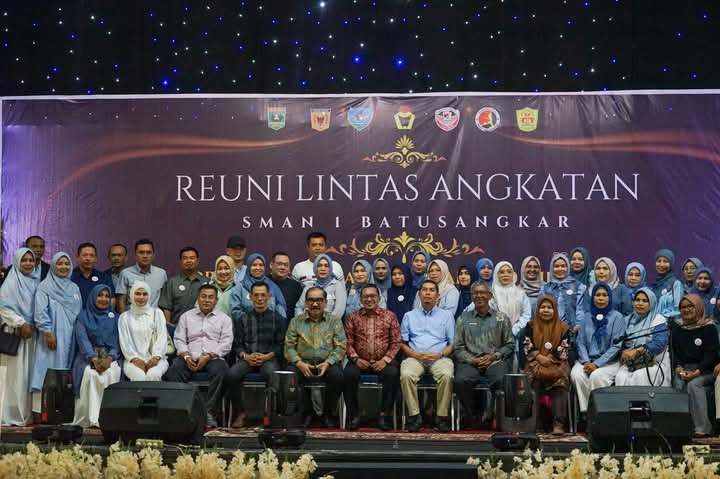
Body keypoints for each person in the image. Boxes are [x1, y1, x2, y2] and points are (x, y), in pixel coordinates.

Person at [164, 284, 232, 428]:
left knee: (222, 370)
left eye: (211, 297)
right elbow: (179, 339)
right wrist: (187, 356)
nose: (207, 300)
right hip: (189, 356)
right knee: (174, 370)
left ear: (216, 300)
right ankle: (182, 411)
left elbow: (226, 343)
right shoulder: (186, 316)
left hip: (212, 357)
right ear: (198, 298)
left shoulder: (224, 319)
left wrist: (208, 356)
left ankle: (209, 413)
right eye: (203, 296)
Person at [225, 282, 287, 428]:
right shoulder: (242, 319)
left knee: (272, 374)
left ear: (269, 297)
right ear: (251, 297)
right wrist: (245, 356)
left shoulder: (279, 319)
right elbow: (237, 344)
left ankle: (269, 415)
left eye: (263, 295)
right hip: (248, 359)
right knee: (231, 375)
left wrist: (267, 356)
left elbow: (281, 345)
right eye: (256, 295)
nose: (260, 298)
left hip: (269, 359)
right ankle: (241, 413)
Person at [454, 282, 514, 429]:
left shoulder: (501, 318)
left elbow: (510, 345)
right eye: (475, 293)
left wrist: (494, 356)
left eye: (483, 292)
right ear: (471, 296)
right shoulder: (463, 319)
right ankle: (472, 416)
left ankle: (494, 416)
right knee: (461, 380)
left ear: (490, 296)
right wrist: (472, 360)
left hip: (494, 361)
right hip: (470, 361)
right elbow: (458, 347)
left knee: (501, 379)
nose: (479, 296)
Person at [285, 286, 346, 428]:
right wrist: (299, 363)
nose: (315, 304)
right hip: (302, 363)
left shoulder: (334, 321)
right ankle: (306, 412)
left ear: (325, 302)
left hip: (327, 364)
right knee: (290, 375)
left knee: (338, 376)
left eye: (319, 300)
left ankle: (328, 413)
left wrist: (328, 363)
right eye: (311, 300)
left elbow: (341, 346)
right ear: (306, 303)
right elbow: (288, 347)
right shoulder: (296, 321)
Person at [31, 252, 83, 414]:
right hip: (52, 335)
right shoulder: (44, 287)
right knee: (47, 369)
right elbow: (40, 312)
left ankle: (63, 411)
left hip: (71, 336)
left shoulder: (74, 287)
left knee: (66, 371)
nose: (63, 267)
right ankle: (43, 411)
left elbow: (79, 313)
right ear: (53, 266)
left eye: (67, 264)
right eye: (59, 263)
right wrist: (47, 332)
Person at [343, 285, 401, 431]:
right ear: (361, 299)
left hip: (384, 362)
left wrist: (385, 360)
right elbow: (347, 342)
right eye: (365, 297)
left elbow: (396, 342)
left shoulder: (390, 316)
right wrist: (356, 359)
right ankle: (354, 415)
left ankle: (384, 416)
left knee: (393, 374)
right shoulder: (353, 317)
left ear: (379, 298)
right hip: (359, 361)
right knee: (348, 374)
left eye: (372, 296)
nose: (369, 299)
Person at [400, 280, 455, 433]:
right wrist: (415, 354)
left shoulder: (447, 316)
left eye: (431, 290)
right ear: (419, 294)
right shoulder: (409, 316)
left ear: (437, 296)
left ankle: (441, 417)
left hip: (439, 358)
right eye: (424, 290)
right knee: (406, 374)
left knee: (446, 375)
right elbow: (402, 343)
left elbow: (452, 344)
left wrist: (439, 354)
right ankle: (414, 416)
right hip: (415, 358)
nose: (428, 293)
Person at [571, 282, 626, 415]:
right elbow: (580, 342)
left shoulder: (617, 317)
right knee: (576, 374)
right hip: (587, 360)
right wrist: (586, 361)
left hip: (609, 362)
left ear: (609, 298)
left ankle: (598, 413)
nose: (601, 298)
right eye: (597, 295)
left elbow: (616, 345)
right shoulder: (586, 317)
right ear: (593, 297)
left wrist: (597, 364)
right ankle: (586, 412)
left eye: (604, 295)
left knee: (596, 376)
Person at [71, 284, 122, 428]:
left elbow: (117, 342)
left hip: (110, 357)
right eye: (100, 295)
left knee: (111, 373)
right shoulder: (82, 317)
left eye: (107, 296)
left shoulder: (115, 318)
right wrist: (93, 359)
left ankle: (108, 418)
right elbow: (83, 341)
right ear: (93, 297)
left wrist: (109, 358)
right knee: (90, 374)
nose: (103, 299)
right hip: (87, 356)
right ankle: (90, 418)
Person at [0, 248, 40, 425]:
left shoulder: (36, 282)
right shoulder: (10, 283)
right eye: (24, 260)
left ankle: (25, 413)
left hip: (32, 337)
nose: (28, 263)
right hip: (16, 336)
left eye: (31, 260)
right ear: (16, 262)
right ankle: (10, 414)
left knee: (27, 376)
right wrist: (21, 323)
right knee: (14, 376)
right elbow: (3, 308)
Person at [522, 295, 571, 434]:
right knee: (532, 384)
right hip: (535, 363)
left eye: (549, 307)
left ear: (555, 310)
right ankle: (534, 424)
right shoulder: (530, 326)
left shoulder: (564, 327)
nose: (546, 310)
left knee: (560, 385)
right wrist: (539, 357)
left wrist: (550, 359)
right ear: (538, 309)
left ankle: (558, 425)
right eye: (543, 307)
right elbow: (527, 345)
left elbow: (564, 348)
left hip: (557, 364)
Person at [671, 294, 719, 437]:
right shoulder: (678, 327)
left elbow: (711, 355)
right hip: (685, 368)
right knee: (678, 383)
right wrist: (679, 367)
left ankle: (703, 428)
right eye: (683, 307)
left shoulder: (708, 327)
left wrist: (697, 372)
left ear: (698, 306)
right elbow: (675, 352)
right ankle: (681, 429)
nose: (686, 310)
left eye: (690, 306)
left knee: (694, 384)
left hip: (706, 371)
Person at [615, 288, 671, 387]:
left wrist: (638, 351)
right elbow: (620, 342)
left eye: (645, 301)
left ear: (651, 303)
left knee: (640, 376)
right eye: (637, 300)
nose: (640, 303)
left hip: (654, 362)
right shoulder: (627, 320)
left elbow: (659, 343)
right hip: (631, 362)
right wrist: (623, 352)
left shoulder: (658, 320)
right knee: (620, 376)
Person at [118, 281, 168, 381]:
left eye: (145, 294)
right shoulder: (124, 317)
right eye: (137, 294)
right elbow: (124, 342)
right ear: (131, 295)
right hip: (131, 360)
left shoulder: (157, 313)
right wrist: (135, 359)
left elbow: (162, 337)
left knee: (153, 375)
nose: (141, 297)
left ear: (149, 296)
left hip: (158, 358)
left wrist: (156, 357)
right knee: (139, 377)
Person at [159, 246, 209, 325]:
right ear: (180, 261)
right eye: (185, 258)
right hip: (176, 327)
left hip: (201, 328)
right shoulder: (172, 282)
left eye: (192, 258)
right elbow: (167, 308)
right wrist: (168, 328)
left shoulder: (206, 282)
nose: (188, 261)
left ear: (197, 261)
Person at [116, 239, 168, 313]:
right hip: (132, 316)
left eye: (148, 252)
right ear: (135, 255)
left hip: (154, 317)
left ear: (153, 255)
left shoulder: (161, 274)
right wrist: (124, 318)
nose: (145, 256)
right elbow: (121, 301)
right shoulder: (125, 273)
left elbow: (165, 302)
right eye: (141, 252)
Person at [538, 253, 587, 331]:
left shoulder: (579, 287)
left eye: (563, 266)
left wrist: (579, 325)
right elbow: (540, 312)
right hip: (550, 330)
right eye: (556, 266)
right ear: (552, 268)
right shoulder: (545, 289)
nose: (560, 269)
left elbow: (580, 309)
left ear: (568, 267)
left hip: (573, 331)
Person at [231, 253, 287, 319]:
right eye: (254, 265)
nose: (258, 268)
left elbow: (281, 309)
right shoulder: (240, 287)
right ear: (249, 266)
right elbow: (235, 311)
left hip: (270, 323)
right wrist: (251, 320)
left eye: (261, 265)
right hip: (247, 324)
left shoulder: (272, 286)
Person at [295, 254, 347, 319]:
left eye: (326, 266)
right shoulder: (308, 287)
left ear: (330, 269)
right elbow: (298, 307)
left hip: (330, 324)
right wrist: (302, 322)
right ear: (315, 269)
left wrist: (325, 324)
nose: (323, 269)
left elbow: (339, 311)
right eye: (319, 266)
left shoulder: (337, 286)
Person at [492, 261, 532, 339]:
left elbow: (526, 314)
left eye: (509, 272)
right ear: (496, 275)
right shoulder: (491, 294)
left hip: (517, 334)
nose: (506, 274)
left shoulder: (521, 294)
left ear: (513, 275)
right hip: (495, 336)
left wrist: (514, 330)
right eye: (502, 272)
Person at [269, 252, 303, 320]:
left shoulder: (296, 286)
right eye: (279, 264)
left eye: (286, 265)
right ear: (271, 265)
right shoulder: (263, 283)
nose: (283, 267)